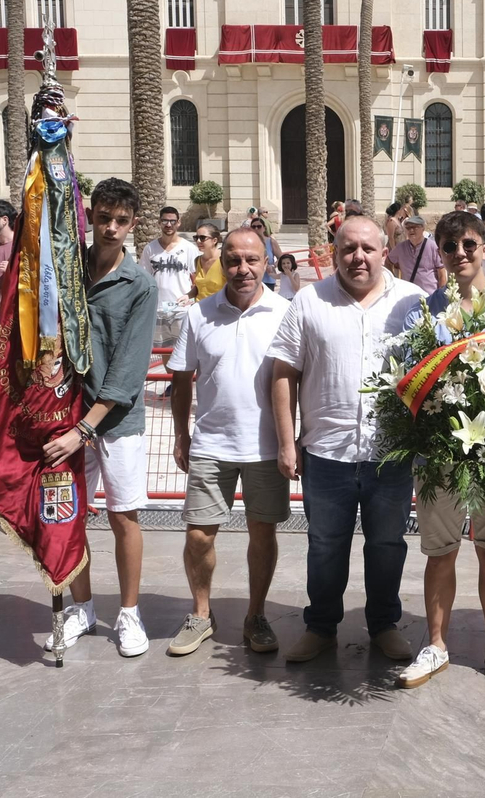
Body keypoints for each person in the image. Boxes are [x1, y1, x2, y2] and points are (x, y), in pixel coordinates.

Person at [269, 216, 423, 663]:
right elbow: (284, 373)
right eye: (348, 248)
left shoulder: (411, 302)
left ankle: (383, 624)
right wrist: (286, 441)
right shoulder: (308, 301)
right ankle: (320, 627)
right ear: (334, 253)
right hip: (326, 453)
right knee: (324, 545)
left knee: (387, 545)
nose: (358, 257)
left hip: (389, 455)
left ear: (385, 251)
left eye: (367, 249)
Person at [395, 212, 485, 691]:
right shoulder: (423, 314)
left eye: (469, 244)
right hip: (439, 456)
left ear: (484, 247)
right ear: (440, 250)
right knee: (440, 553)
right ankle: (436, 645)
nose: (460, 253)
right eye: (450, 245)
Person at [42, 178, 159, 658]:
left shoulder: (140, 285)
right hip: (62, 417)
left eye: (121, 220)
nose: (111, 228)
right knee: (67, 518)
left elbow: (129, 371)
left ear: (133, 225)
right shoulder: (67, 272)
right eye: (103, 217)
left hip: (112, 424)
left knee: (123, 517)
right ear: (90, 216)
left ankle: (128, 615)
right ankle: (82, 608)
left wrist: (84, 429)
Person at [165, 229, 292, 655]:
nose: (243, 269)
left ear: (265, 264)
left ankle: (256, 615)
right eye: (234, 260)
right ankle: (201, 614)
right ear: (222, 263)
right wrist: (181, 436)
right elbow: (182, 380)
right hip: (211, 445)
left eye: (251, 260)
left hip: (266, 448)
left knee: (263, 534)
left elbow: (299, 381)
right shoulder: (200, 315)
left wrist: (296, 441)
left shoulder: (286, 312)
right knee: (199, 536)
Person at [141, 206, 196, 349]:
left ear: (179, 223)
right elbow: (144, 280)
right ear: (159, 222)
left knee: (184, 350)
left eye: (172, 221)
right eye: (165, 221)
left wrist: (192, 301)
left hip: (182, 309)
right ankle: (170, 373)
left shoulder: (189, 248)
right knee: (163, 349)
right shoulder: (150, 249)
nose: (168, 225)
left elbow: (197, 280)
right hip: (159, 309)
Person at [385, 214, 446, 294]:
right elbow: (387, 261)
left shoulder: (433, 247)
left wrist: (440, 295)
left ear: (423, 228)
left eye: (414, 227)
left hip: (429, 296)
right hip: (408, 296)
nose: (411, 230)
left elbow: (442, 274)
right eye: (408, 228)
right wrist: (393, 278)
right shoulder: (401, 247)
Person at [189, 222, 226, 301]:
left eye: (202, 238)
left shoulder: (224, 260)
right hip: (199, 308)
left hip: (219, 309)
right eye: (196, 238)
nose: (198, 241)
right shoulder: (197, 260)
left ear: (214, 240)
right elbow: (200, 287)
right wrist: (187, 296)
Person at [247, 215, 284, 288]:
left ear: (264, 228)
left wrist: (273, 266)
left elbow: (281, 258)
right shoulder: (248, 242)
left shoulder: (271, 242)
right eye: (253, 227)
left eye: (259, 226)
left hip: (268, 279)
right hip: (252, 279)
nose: (256, 228)